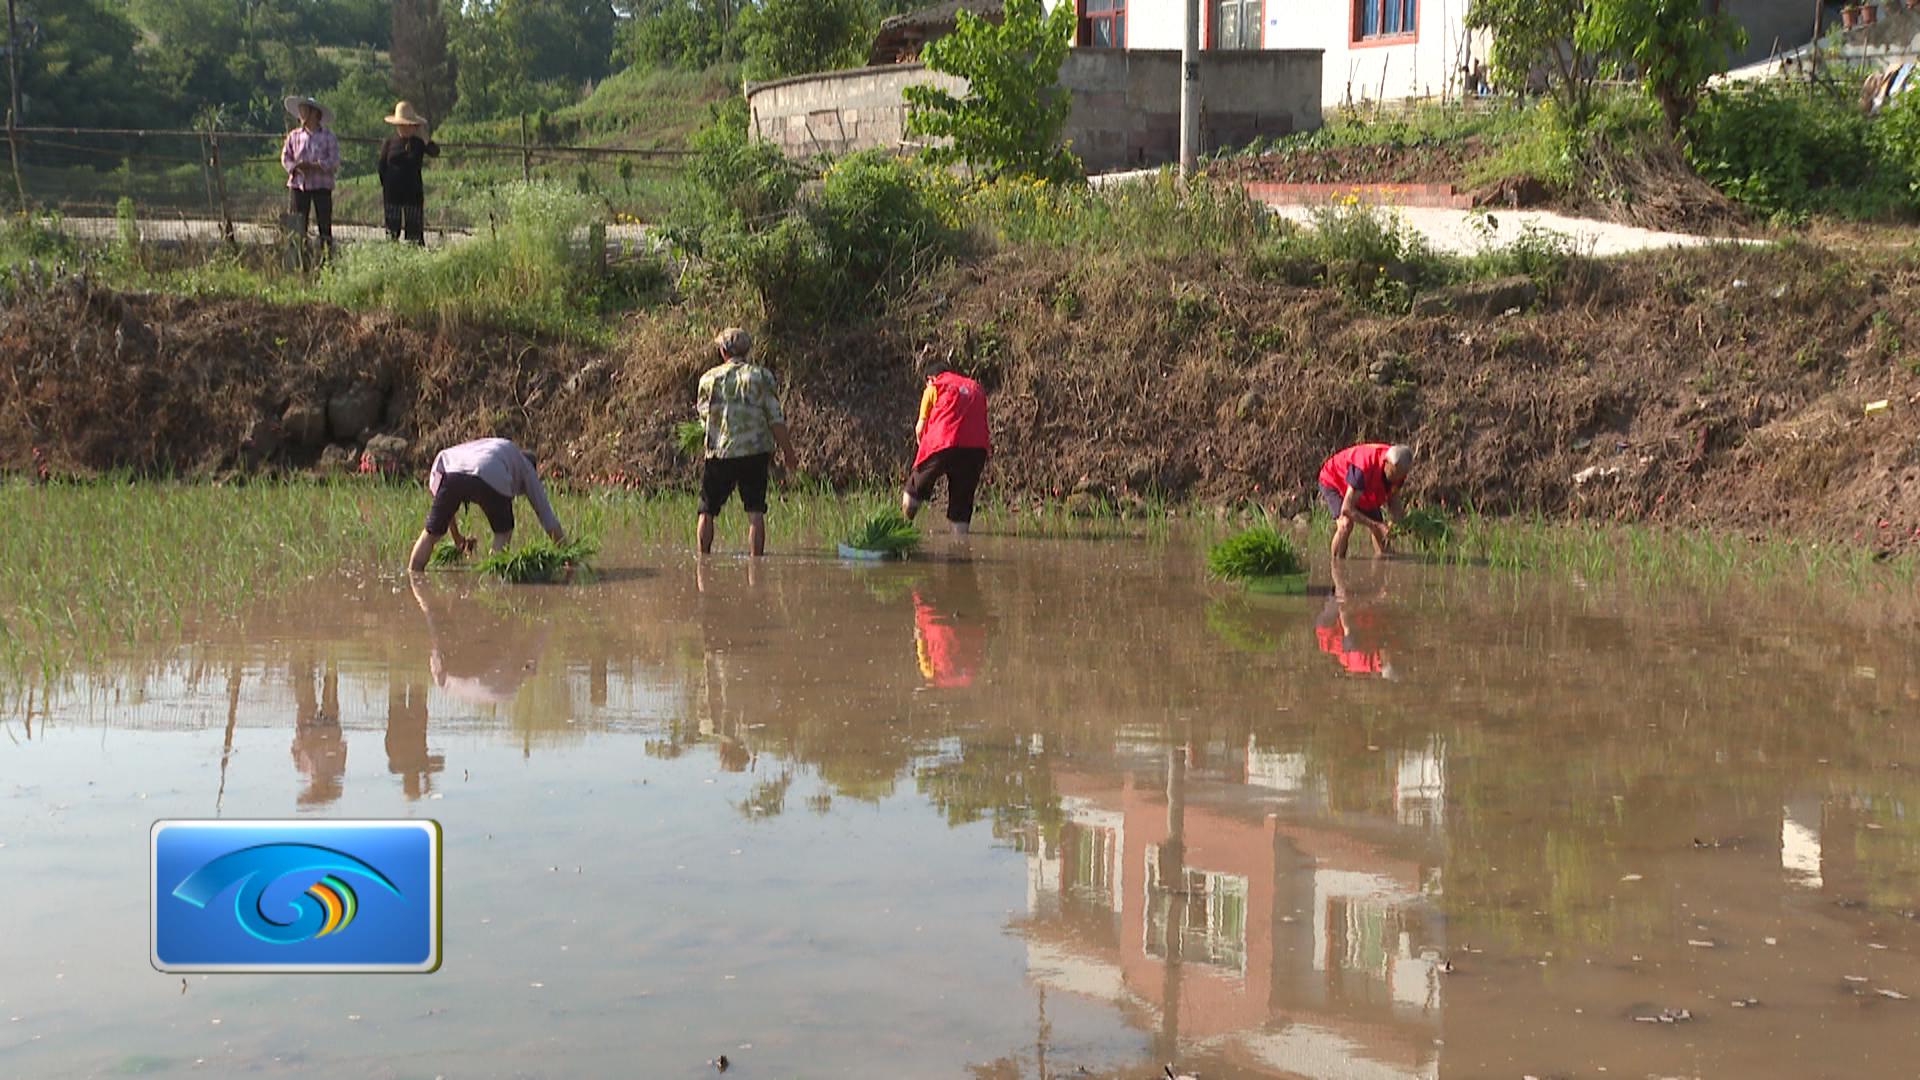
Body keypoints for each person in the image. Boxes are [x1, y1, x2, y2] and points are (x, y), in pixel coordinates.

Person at [695, 328, 797, 557]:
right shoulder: (761, 377)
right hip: (755, 452)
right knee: (755, 510)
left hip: (720, 453)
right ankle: (756, 565)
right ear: (748, 350)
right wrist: (789, 454)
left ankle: (702, 562)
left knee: (706, 510)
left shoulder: (708, 380)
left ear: (723, 351)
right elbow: (775, 419)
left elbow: (704, 417)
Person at [405, 437, 566, 571]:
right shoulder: (525, 465)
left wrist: (457, 537)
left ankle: (413, 575)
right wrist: (567, 554)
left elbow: (442, 497)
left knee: (430, 534)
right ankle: (492, 580)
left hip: (450, 472)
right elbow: (546, 516)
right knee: (504, 532)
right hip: (489, 469)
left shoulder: (492, 448)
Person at [902, 348, 991, 535]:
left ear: (930, 378)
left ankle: (901, 529)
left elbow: (920, 428)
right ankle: (960, 548)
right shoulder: (975, 387)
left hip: (943, 441)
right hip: (976, 450)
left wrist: (923, 454)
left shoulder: (935, 386)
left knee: (913, 492)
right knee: (961, 508)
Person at [1319, 442, 1414, 560]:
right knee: (1346, 524)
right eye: (1395, 473)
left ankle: (1383, 565)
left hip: (1365, 488)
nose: (1398, 478)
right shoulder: (1364, 467)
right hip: (1334, 480)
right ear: (1387, 463)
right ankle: (1337, 566)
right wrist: (1376, 525)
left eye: (1402, 475)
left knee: (1381, 531)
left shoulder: (1399, 471)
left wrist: (1399, 523)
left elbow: (1393, 499)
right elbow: (1347, 509)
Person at [280, 96, 340, 265]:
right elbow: (286, 157)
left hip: (322, 186)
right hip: (299, 185)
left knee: (324, 225)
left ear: (315, 114)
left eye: (305, 110)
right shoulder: (293, 136)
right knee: (298, 226)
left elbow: (334, 161)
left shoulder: (328, 137)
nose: (301, 114)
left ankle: (326, 262)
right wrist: (296, 167)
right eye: (301, 110)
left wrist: (316, 166)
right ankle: (298, 262)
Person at [377, 101, 440, 245]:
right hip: (392, 195)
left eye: (409, 125)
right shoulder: (389, 143)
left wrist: (425, 137)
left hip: (413, 194)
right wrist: (386, 185)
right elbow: (381, 167)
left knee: (414, 234)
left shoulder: (418, 143)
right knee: (392, 232)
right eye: (402, 125)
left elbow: (435, 152)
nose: (405, 128)